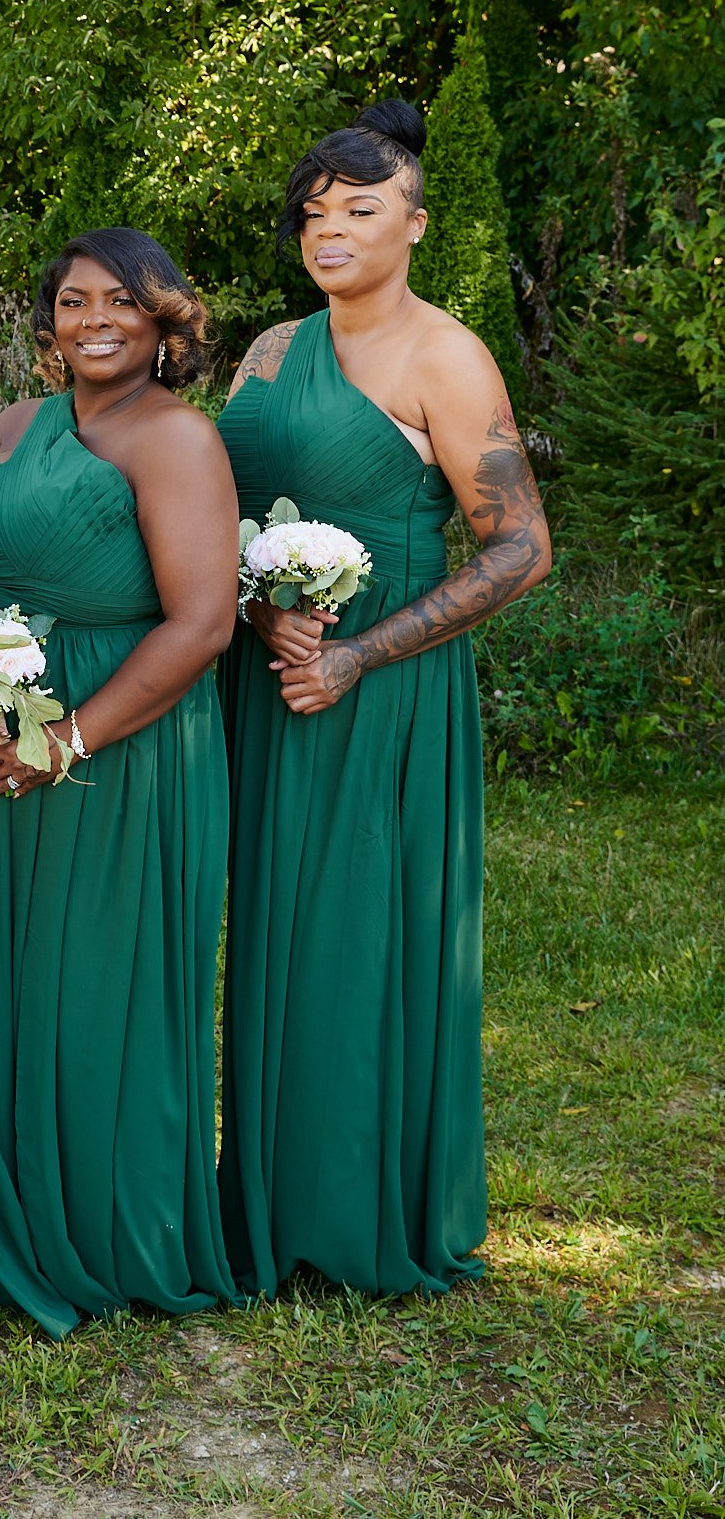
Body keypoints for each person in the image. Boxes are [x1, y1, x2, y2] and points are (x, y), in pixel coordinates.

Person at [218, 101, 551, 1298]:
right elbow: (226, 514)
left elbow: (517, 550)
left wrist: (360, 655)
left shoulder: (444, 358)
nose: (330, 230)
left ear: (412, 222)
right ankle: (262, 1195)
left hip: (382, 697)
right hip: (268, 681)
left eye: (358, 209)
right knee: (272, 932)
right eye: (313, 212)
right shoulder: (264, 352)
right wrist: (261, 614)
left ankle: (356, 1213)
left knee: (360, 939)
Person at [0, 228, 239, 1333]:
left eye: (116, 301)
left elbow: (200, 625)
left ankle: (101, 1228)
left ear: (162, 320)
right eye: (68, 301)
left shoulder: (176, 438)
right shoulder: (13, 423)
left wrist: (68, 740)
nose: (90, 318)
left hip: (113, 740)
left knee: (93, 976)